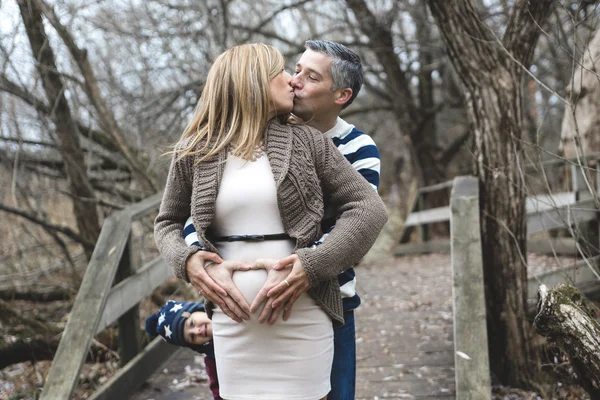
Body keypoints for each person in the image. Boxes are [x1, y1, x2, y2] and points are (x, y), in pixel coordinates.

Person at [154, 43, 387, 400]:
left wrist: (310, 266)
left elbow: (368, 210)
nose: (291, 81)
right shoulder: (197, 149)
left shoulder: (309, 141)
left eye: (306, 76)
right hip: (233, 321)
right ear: (253, 82)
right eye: (284, 71)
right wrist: (188, 261)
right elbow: (168, 220)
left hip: (304, 311)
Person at [145, 300, 222, 400]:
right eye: (192, 337)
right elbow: (218, 392)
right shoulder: (214, 361)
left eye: (192, 323)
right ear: (196, 346)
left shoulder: (228, 305)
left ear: (197, 310)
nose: (197, 331)